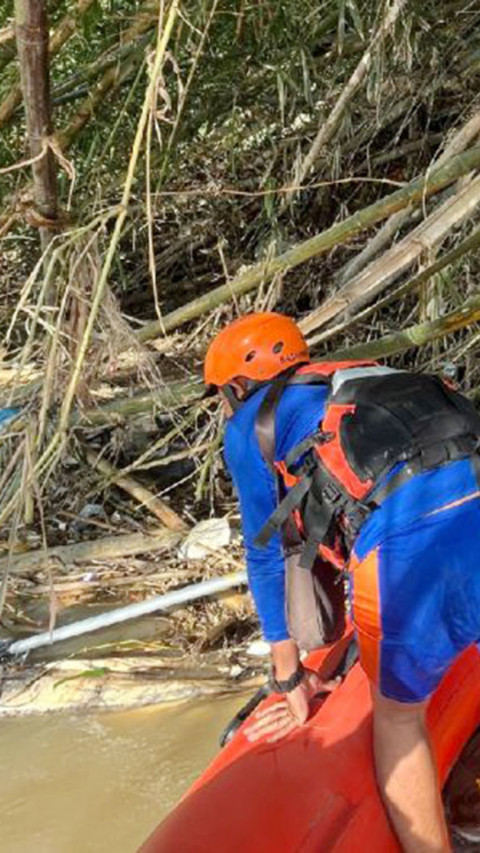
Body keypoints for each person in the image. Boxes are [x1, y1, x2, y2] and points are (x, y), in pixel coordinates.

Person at [204, 311, 480, 853]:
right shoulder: (366, 377)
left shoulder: (248, 427)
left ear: (238, 385)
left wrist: (290, 682)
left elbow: (266, 556)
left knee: (399, 723)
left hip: (410, 546)